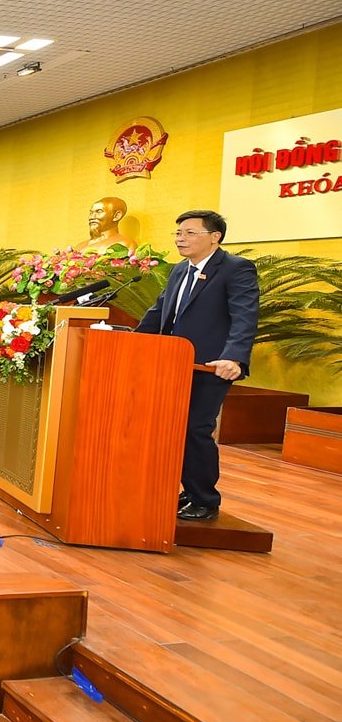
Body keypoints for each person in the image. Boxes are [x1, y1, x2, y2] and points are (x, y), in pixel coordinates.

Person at [135, 209, 259, 522]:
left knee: (195, 428)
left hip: (212, 365)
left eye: (190, 233)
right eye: (178, 233)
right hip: (172, 364)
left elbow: (245, 316)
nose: (181, 238)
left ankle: (205, 499)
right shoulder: (179, 270)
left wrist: (235, 356)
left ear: (214, 237)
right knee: (174, 429)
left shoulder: (235, 269)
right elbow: (159, 312)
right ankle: (188, 492)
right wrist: (131, 343)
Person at [74, 196, 140, 252]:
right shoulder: (79, 247)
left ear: (116, 216)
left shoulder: (125, 244)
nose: (92, 217)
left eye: (99, 212)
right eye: (91, 213)